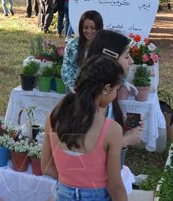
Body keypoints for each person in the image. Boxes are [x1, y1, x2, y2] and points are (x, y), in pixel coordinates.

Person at [42, 55, 127, 201]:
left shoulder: (53, 116)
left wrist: (70, 183)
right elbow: (115, 187)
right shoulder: (111, 130)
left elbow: (46, 167)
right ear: (106, 88)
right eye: (117, 90)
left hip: (62, 193)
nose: (115, 96)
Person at [87, 30, 143, 147]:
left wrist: (118, 122)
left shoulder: (105, 95)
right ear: (110, 59)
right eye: (127, 56)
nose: (132, 61)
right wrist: (126, 140)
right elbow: (93, 148)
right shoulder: (93, 103)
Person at [62, 10, 104, 92]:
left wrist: (122, 82)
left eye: (93, 28)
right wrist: (72, 86)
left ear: (99, 28)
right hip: (76, 90)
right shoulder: (73, 44)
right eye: (85, 28)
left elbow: (110, 67)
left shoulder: (103, 45)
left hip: (96, 91)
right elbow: (66, 67)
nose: (88, 31)